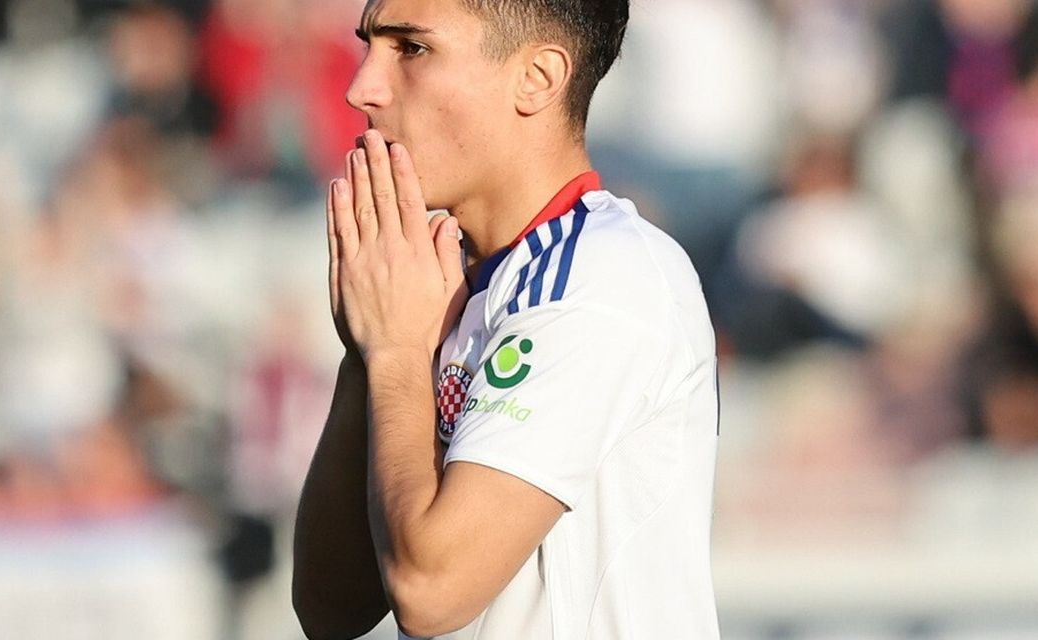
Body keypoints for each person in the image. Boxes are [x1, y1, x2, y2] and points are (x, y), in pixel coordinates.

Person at [291, 0, 720, 638]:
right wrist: (367, 352)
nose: (361, 89)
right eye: (367, 47)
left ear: (537, 79)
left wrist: (396, 354)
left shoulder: (601, 277)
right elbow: (331, 610)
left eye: (411, 48)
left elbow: (430, 591)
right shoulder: (442, 287)